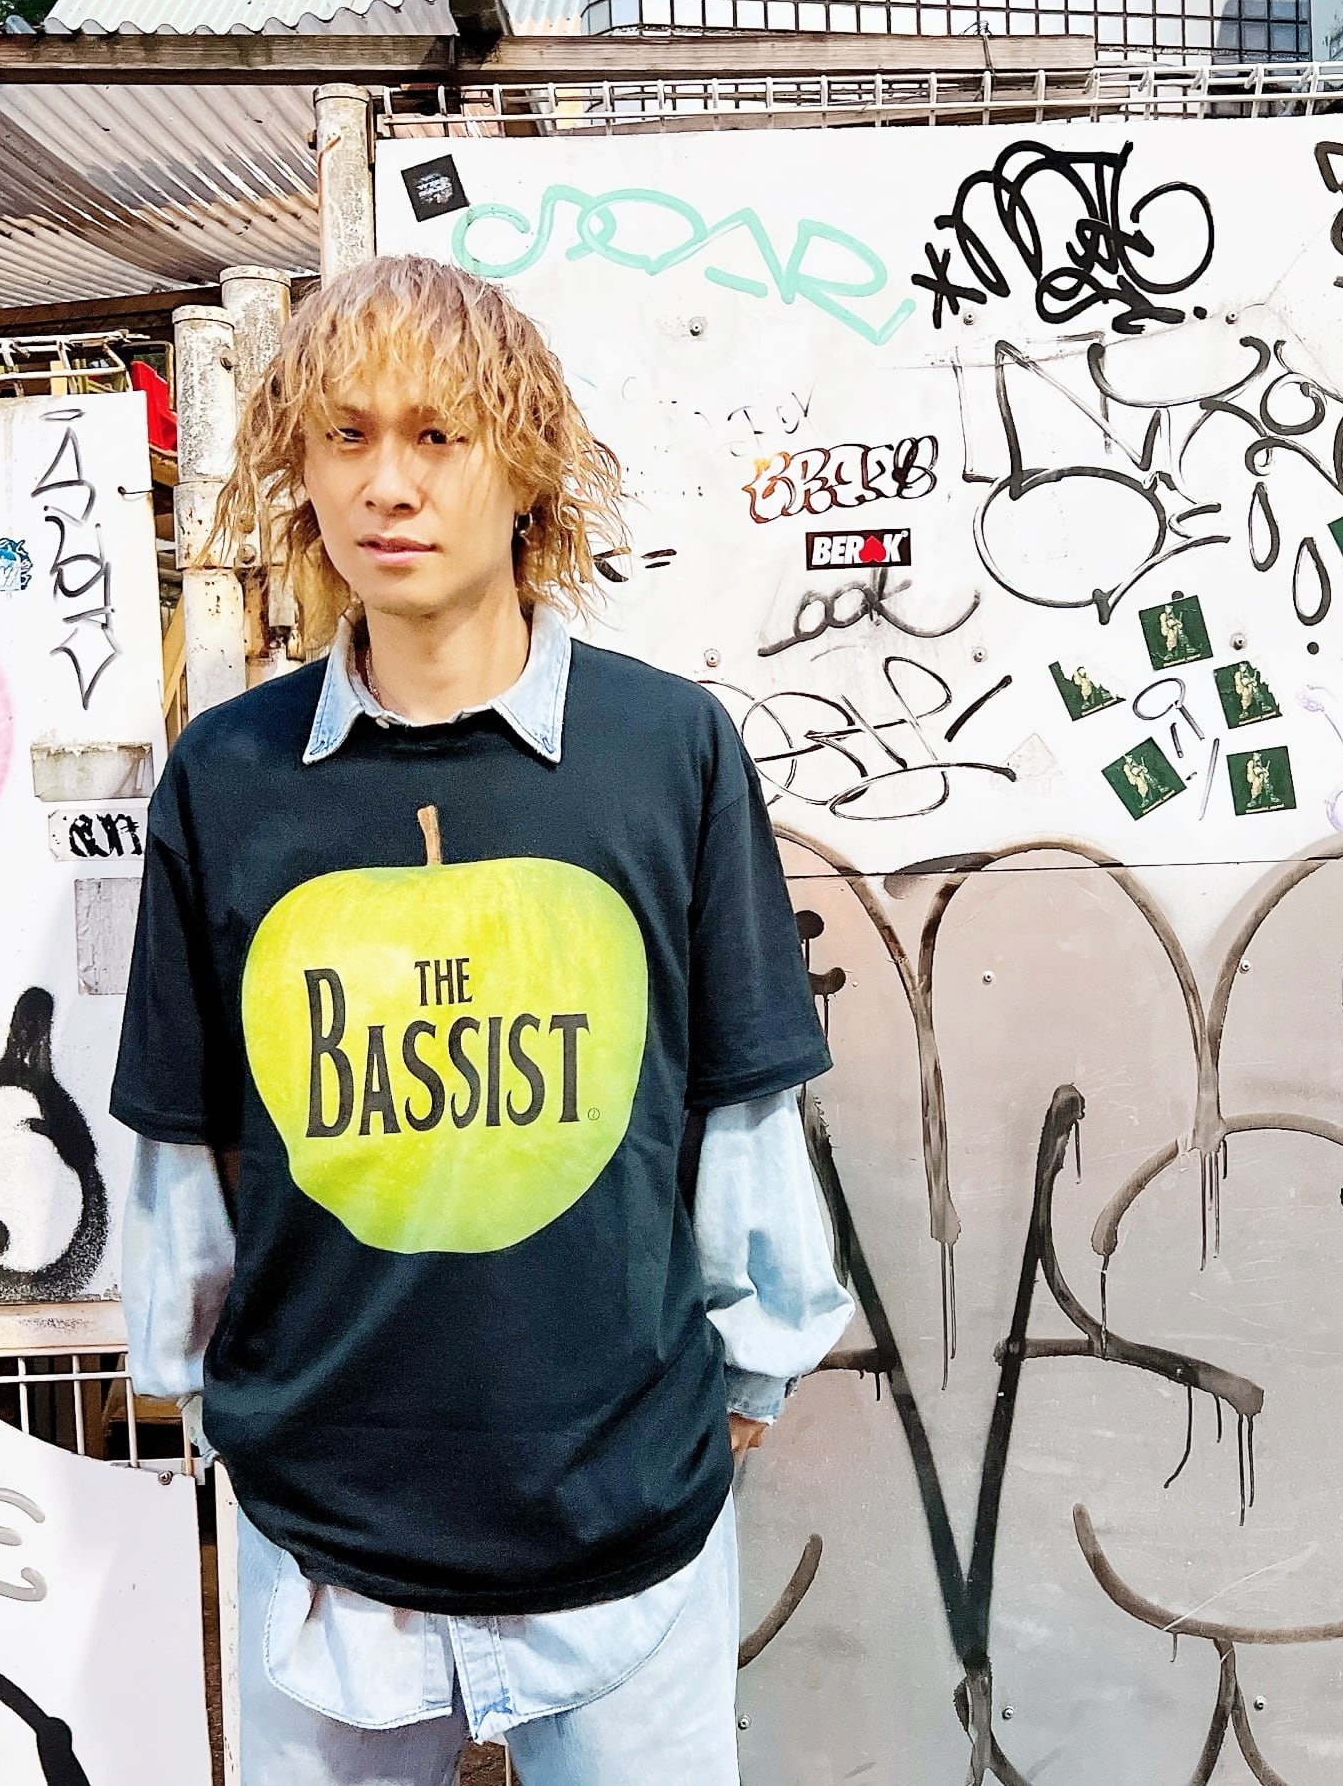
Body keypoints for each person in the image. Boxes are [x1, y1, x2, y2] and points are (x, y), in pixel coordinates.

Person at [111, 254, 854, 1786]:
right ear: (301, 469)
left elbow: (739, 1097)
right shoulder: (229, 780)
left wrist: (752, 1367)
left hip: (625, 1509)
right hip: (324, 1522)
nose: (388, 484)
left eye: (437, 436)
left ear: (523, 464)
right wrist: (204, 1394)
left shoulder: (662, 752)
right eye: (347, 436)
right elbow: (188, 1134)